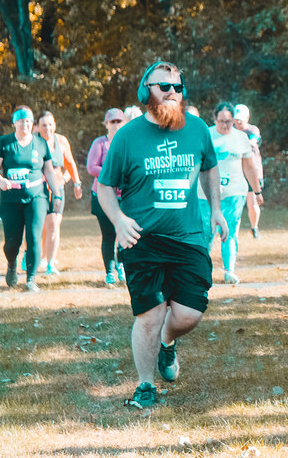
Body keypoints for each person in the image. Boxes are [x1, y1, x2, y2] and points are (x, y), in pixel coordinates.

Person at [96, 61, 227, 408]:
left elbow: (210, 168)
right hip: (142, 239)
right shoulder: (127, 136)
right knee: (150, 315)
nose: (172, 93)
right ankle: (145, 385)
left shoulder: (198, 129)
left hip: (188, 236)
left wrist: (215, 209)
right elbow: (105, 186)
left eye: (178, 87)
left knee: (188, 314)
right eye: (164, 87)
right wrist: (119, 221)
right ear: (146, 91)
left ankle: (167, 344)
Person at [0, 106, 64, 292]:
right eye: (21, 121)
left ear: (33, 123)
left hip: (37, 197)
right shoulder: (4, 142)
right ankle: (12, 264)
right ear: (14, 122)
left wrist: (57, 194)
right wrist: (1, 180)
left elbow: (48, 171)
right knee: (12, 242)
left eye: (29, 121)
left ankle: (31, 279)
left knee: (34, 237)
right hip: (11, 199)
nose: (25, 124)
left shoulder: (40, 143)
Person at [198, 102, 262, 284]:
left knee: (230, 231)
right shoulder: (206, 135)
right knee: (206, 232)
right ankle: (202, 271)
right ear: (214, 119)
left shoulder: (241, 138)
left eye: (228, 121)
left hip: (234, 192)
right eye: (221, 121)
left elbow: (249, 168)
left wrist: (257, 191)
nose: (225, 125)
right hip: (205, 193)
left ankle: (229, 270)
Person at [35, 111, 84, 275]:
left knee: (54, 225)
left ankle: (50, 264)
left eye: (50, 124)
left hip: (58, 191)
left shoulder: (61, 141)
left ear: (54, 124)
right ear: (38, 126)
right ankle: (38, 257)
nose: (47, 128)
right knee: (41, 227)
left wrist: (75, 182)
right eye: (44, 125)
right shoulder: (34, 142)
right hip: (39, 191)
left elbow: (70, 164)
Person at [87, 108, 127, 285]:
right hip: (103, 196)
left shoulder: (128, 142)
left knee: (125, 233)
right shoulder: (100, 143)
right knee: (108, 235)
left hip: (125, 196)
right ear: (106, 124)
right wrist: (112, 174)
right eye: (113, 122)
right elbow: (91, 167)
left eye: (119, 121)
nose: (116, 125)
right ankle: (109, 271)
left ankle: (123, 266)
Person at [233, 104, 264, 239]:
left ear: (247, 117)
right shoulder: (231, 131)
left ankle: (254, 228)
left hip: (253, 171)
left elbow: (253, 142)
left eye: (241, 119)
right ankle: (233, 232)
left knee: (252, 203)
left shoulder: (253, 130)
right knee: (235, 204)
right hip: (237, 171)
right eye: (236, 119)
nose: (238, 122)